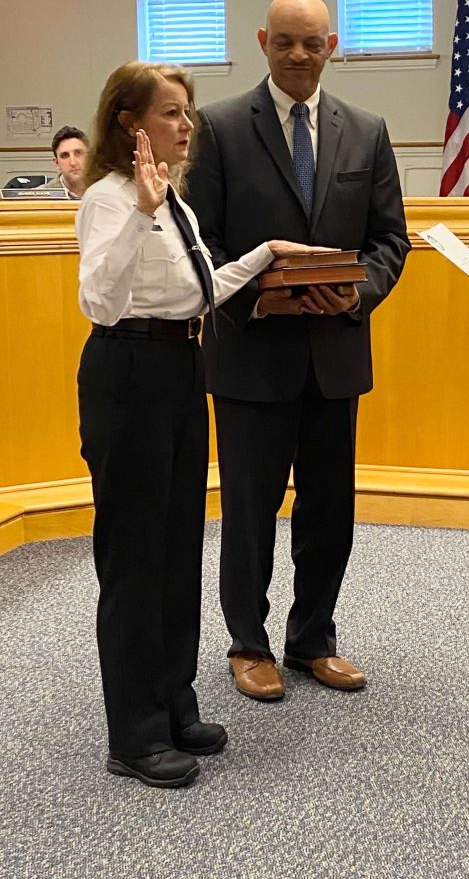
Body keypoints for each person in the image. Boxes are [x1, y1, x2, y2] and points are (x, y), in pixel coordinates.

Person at [76, 60, 329, 788]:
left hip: (183, 370)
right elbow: (100, 299)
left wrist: (267, 253)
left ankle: (173, 702)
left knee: (179, 546)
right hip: (126, 374)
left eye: (187, 114)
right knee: (134, 558)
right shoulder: (110, 198)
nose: (187, 126)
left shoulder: (174, 203)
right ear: (130, 123)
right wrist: (145, 212)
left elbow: (198, 292)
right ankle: (134, 733)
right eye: (172, 114)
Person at [186, 0, 409, 701]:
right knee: (249, 512)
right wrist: (262, 293)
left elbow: (388, 241)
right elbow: (204, 246)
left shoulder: (367, 131)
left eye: (312, 42)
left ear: (332, 45)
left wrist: (358, 291)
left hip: (335, 355)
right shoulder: (218, 128)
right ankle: (248, 644)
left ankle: (313, 639)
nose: (300, 55)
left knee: (328, 510)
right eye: (285, 41)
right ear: (262, 41)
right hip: (251, 356)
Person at [45, 125, 88, 199]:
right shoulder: (40, 198)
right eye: (65, 156)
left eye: (78, 153)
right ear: (57, 163)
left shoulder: (105, 191)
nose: (73, 162)